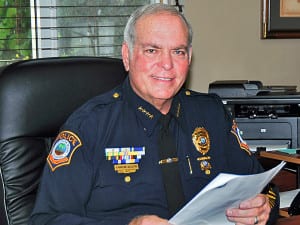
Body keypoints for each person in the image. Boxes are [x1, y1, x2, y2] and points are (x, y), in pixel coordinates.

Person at [29, 3, 279, 225]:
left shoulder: (212, 114)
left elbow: (264, 187)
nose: (167, 64)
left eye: (178, 52)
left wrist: (263, 208)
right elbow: (45, 219)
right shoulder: (89, 126)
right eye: (152, 50)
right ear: (127, 56)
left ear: (189, 58)